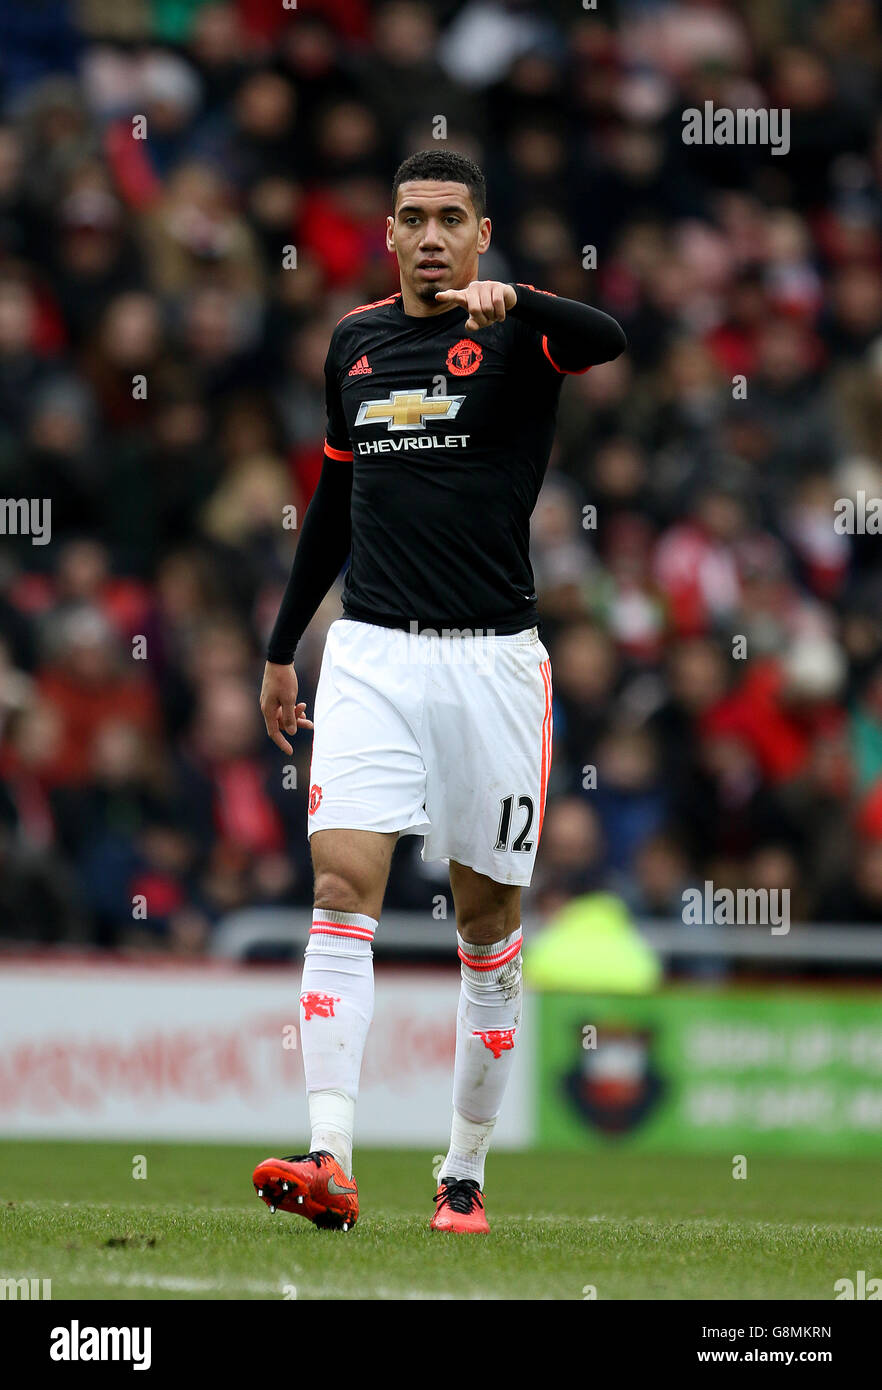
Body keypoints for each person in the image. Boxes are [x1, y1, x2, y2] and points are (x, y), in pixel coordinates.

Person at [252, 149, 626, 1233]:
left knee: (487, 924)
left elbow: (610, 339)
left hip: (493, 663)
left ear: (480, 231)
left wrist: (530, 299)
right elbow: (335, 498)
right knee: (340, 889)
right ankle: (330, 1153)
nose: (428, 236)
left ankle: (461, 1170)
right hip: (369, 651)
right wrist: (284, 648)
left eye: (449, 219)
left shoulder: (522, 334)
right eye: (410, 217)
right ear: (387, 233)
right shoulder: (356, 344)